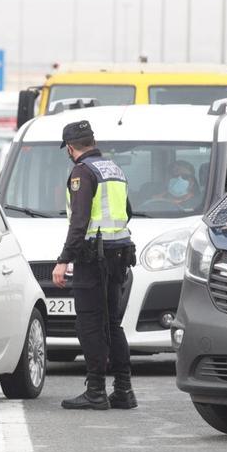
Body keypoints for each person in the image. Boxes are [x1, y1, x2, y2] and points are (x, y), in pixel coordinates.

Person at [51, 120, 138, 410]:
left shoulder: (82, 172)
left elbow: (79, 222)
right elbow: (127, 211)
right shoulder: (114, 169)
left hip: (93, 257)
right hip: (118, 254)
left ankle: (96, 390)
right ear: (93, 140)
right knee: (112, 322)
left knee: (89, 323)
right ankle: (123, 390)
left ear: (71, 147)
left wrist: (63, 260)